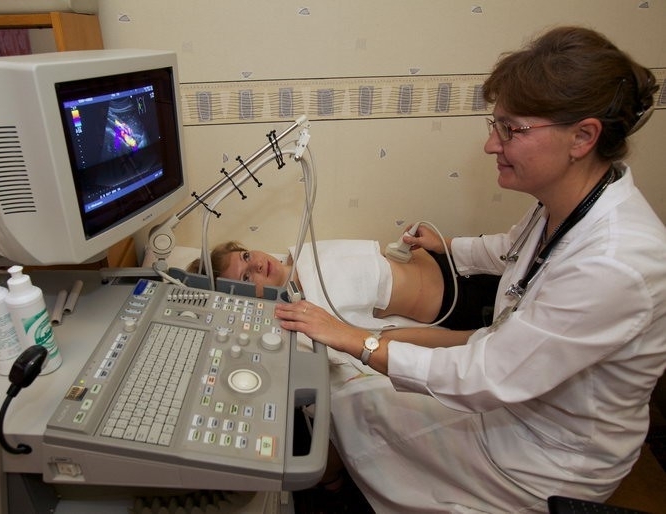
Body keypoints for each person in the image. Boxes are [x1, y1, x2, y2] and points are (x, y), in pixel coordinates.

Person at [274, 26, 666, 512]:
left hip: (546, 460)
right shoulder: (570, 204)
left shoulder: (615, 263)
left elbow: (488, 375)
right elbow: (512, 249)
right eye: (494, 124)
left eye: (512, 130)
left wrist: (357, 340)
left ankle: (337, 487)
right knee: (356, 393)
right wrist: (449, 248)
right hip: (516, 401)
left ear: (582, 137)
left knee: (356, 401)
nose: (491, 145)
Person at [188, 238, 500, 331]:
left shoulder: (304, 248)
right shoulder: (307, 309)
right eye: (246, 277)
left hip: (451, 259)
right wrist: (460, 341)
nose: (256, 264)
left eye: (246, 255)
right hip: (458, 304)